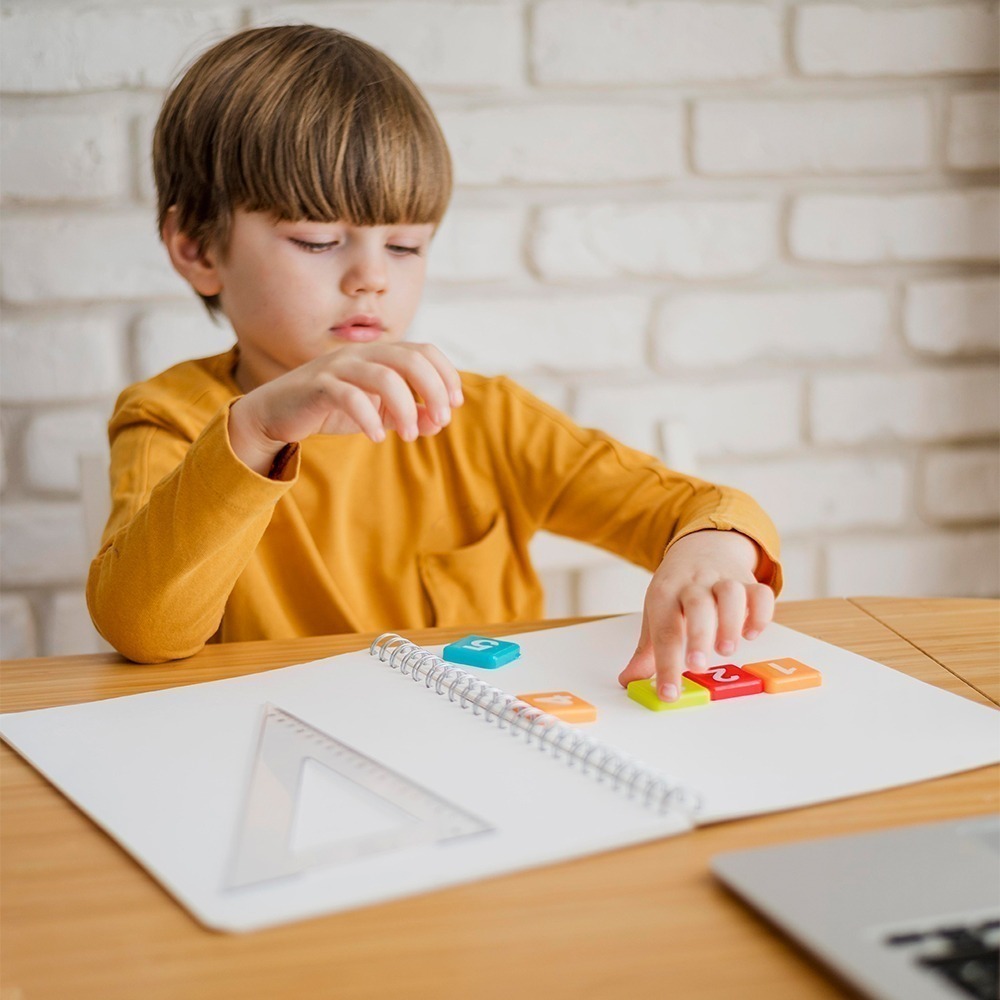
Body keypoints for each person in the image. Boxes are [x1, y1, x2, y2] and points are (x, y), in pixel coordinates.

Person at [87, 24, 782, 702]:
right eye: (317, 239)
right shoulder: (170, 419)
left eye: (406, 246)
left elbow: (705, 508)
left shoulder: (483, 418)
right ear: (198, 249)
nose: (371, 278)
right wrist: (257, 433)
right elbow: (144, 630)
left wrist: (712, 553)